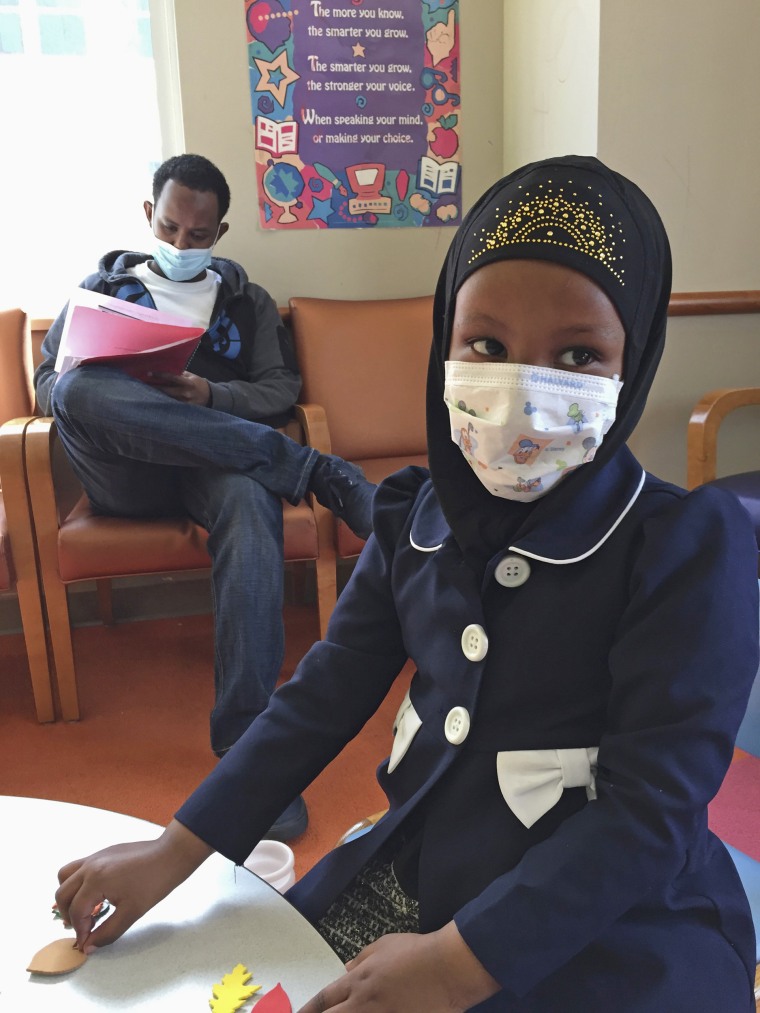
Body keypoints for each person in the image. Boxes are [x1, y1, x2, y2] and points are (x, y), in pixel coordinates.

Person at [54, 155, 760, 1011]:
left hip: (613, 918)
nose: (521, 393)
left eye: (577, 355)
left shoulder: (686, 546)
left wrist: (463, 964)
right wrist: (173, 851)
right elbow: (320, 697)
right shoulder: (413, 514)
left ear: (633, 362)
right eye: (487, 347)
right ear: (445, 344)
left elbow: (650, 814)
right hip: (425, 864)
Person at [35, 153, 375, 843]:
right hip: (122, 471)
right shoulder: (99, 288)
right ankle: (304, 467)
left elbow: (280, 386)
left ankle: (251, 754)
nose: (182, 245)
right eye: (169, 227)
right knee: (77, 389)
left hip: (213, 469)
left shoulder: (246, 301)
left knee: (251, 501)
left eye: (198, 235)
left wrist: (209, 395)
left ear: (219, 231)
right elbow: (49, 389)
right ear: (147, 216)